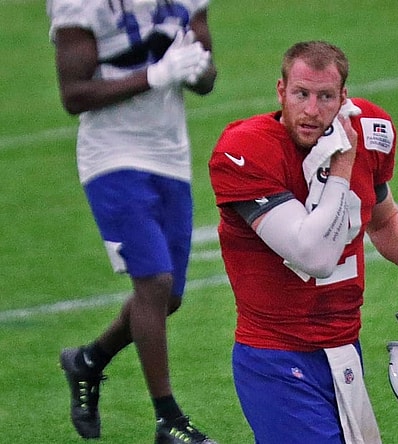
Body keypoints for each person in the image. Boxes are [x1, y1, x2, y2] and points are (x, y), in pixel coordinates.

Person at [208, 40, 398, 443]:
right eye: (301, 94)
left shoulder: (370, 131)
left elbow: (385, 217)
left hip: (343, 351)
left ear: (343, 98)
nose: (312, 110)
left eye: (325, 97)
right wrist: (342, 164)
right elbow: (315, 256)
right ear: (281, 91)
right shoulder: (245, 150)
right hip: (276, 356)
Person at [47, 0, 218, 442]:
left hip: (170, 155)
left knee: (168, 298)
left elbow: (207, 79)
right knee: (154, 282)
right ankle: (168, 419)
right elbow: (73, 94)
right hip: (112, 155)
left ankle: (88, 361)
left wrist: (194, 67)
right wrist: (156, 74)